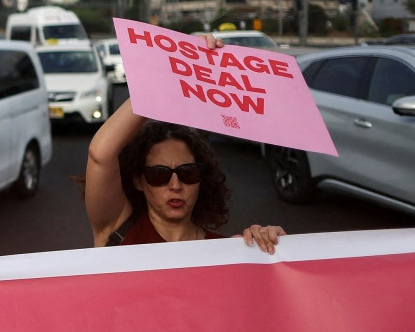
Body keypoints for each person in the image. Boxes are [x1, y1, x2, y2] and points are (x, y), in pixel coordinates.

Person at [84, 37, 284, 253]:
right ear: (139, 181)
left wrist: (271, 248)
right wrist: (174, 66)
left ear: (202, 179)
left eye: (188, 173)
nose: (176, 185)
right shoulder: (118, 229)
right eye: (159, 174)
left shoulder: (227, 250)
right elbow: (100, 153)